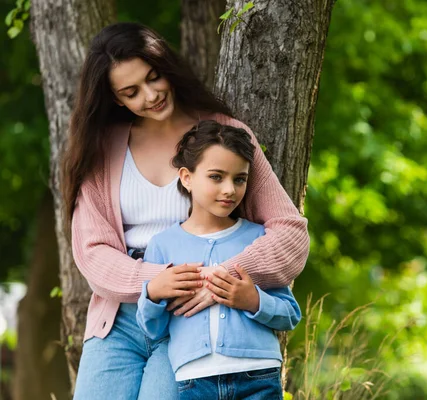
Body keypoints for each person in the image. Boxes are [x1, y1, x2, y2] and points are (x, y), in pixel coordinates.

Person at [63, 22, 309, 400]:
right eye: (131, 92)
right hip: (120, 318)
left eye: (154, 77)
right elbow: (92, 254)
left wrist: (217, 279)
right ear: (115, 99)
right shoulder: (101, 151)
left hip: (194, 318)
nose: (151, 95)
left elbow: (290, 234)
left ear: (166, 66)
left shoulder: (224, 134)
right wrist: (156, 281)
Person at [137, 120, 301, 399]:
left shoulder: (260, 239)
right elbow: (153, 330)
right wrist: (152, 294)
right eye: (216, 177)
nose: (230, 190)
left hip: (259, 375)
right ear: (187, 177)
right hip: (194, 381)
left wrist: (254, 301)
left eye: (239, 179)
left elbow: (290, 314)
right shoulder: (163, 245)